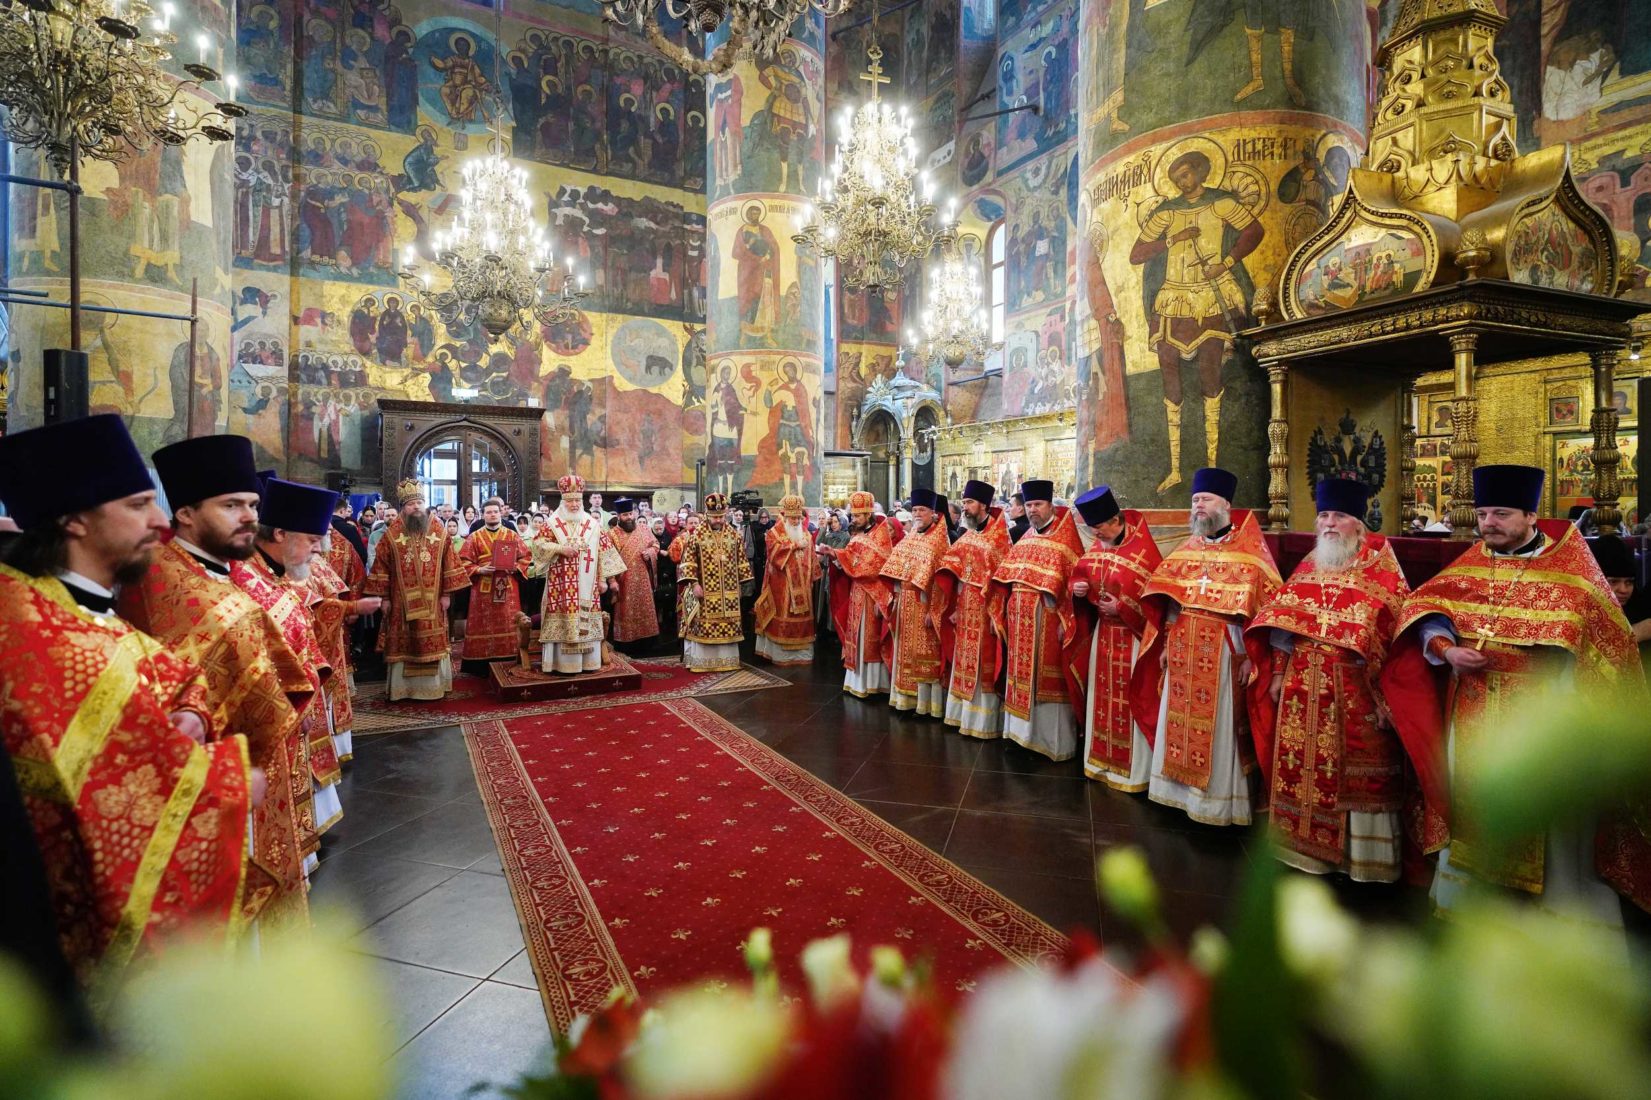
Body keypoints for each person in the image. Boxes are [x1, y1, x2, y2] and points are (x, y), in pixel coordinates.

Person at [0, 415, 255, 986]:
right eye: (139, 505)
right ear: (74, 519)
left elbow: (172, 672)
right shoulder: (35, 635)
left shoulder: (67, 607)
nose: (161, 521)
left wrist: (189, 710)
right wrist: (232, 786)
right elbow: (94, 794)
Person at [1390, 465, 1651, 922]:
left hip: (1541, 715)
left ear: (1531, 515)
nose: (1488, 522)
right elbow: (1428, 608)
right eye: (1483, 512)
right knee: (1473, 799)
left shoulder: (1573, 569)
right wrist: (1447, 651)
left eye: (1501, 514)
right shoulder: (1472, 560)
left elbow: (1607, 647)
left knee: (1543, 809)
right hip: (1471, 709)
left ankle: (1554, 907)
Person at [119, 433, 314, 929]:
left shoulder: (215, 572)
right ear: (185, 513)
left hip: (244, 769)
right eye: (231, 505)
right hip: (209, 782)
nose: (249, 515)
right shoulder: (172, 584)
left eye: (252, 504)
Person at [1248, 480, 1413, 882]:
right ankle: (1299, 849)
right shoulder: (1310, 562)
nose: (1329, 524)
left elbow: (1397, 638)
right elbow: (1283, 622)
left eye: (1339, 516)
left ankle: (1359, 862)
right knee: (1298, 765)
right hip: (1302, 684)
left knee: (1353, 774)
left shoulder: (1382, 568)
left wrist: (1387, 701)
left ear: (1360, 524)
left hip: (1355, 690)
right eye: (1323, 515)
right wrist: (1278, 672)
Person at [1129, 467, 1280, 826]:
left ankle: (1214, 805)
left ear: (1225, 504)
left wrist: (1249, 658)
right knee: (1177, 721)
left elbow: (1263, 613)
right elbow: (1170, 602)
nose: (1198, 505)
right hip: (1183, 646)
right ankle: (1174, 794)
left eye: (1206, 499)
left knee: (1219, 731)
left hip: (1225, 651)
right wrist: (1165, 642)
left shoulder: (1251, 553)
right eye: (1195, 499)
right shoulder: (1187, 548)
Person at [242, 477, 345, 855]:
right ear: (280, 533)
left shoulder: (274, 574)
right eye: (311, 540)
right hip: (273, 715)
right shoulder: (248, 579)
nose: (318, 550)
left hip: (296, 706)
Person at [1067, 485, 1162, 790]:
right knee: (1102, 698)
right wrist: (1078, 589)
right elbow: (1083, 574)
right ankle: (1100, 762)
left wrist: (1121, 606)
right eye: (1091, 530)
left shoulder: (1144, 550)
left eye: (1099, 529)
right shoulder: (1099, 546)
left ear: (1115, 521)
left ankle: (1133, 772)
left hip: (1132, 640)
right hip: (1103, 638)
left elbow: (1153, 602)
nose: (1096, 536)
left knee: (1128, 700)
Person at [988, 480, 1085, 760]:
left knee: (1046, 683)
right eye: (1028, 505)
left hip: (1048, 622)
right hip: (1020, 622)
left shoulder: (1066, 540)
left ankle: (1050, 743)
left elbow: (1073, 584)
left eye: (1038, 504)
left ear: (1050, 506)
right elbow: (1006, 578)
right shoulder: (1026, 538)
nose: (1032, 510)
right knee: (1019, 677)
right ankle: (1020, 736)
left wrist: (1066, 621)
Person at [364, 479, 469, 700]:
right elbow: (381, 566)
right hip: (400, 601)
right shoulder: (392, 534)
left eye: (420, 502)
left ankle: (434, 688)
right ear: (404, 506)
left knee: (433, 640)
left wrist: (446, 594)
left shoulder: (439, 530)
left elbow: (450, 563)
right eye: (411, 503)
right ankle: (404, 689)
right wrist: (384, 598)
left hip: (434, 601)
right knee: (405, 642)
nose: (417, 507)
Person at [934, 480, 1011, 739]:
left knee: (983, 662)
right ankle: (961, 715)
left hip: (985, 609)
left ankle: (982, 723)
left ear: (984, 505)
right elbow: (954, 567)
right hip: (966, 605)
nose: (965, 508)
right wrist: (954, 606)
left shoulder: (999, 537)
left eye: (969, 503)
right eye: (964, 503)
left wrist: (997, 614)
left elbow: (1002, 581)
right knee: (964, 659)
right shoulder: (968, 534)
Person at [532, 475, 625, 674]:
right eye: (570, 501)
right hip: (560, 584)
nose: (574, 504)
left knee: (587, 620)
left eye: (577, 500)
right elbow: (538, 545)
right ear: (562, 502)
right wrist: (560, 548)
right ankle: (560, 664)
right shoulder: (551, 523)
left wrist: (603, 579)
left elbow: (603, 553)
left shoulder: (593, 525)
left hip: (588, 584)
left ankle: (588, 663)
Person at [880, 488, 952, 716]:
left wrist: (935, 610)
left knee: (925, 657)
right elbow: (894, 568)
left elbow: (941, 582)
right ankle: (904, 700)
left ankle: (927, 706)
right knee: (905, 654)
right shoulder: (912, 537)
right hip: (905, 603)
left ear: (933, 513)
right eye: (914, 510)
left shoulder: (939, 542)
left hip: (925, 606)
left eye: (922, 510)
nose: (917, 514)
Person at [823, 491, 894, 697]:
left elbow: (878, 567)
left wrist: (882, 600)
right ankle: (857, 681)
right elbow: (850, 558)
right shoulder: (858, 535)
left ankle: (873, 684)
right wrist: (833, 553)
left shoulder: (881, 535)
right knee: (857, 636)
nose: (854, 520)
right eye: (853, 516)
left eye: (858, 516)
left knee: (869, 638)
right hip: (856, 592)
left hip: (874, 595)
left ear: (868, 515)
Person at [676, 493, 753, 671]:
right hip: (704, 589)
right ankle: (703, 661)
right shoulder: (697, 535)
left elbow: (742, 560)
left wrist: (741, 585)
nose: (718, 520)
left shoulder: (734, 535)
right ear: (707, 515)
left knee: (728, 623)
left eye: (721, 516)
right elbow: (688, 562)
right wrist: (694, 584)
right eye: (714, 517)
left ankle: (727, 661)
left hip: (729, 591)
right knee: (703, 624)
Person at [457, 497, 532, 672]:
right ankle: (479, 664)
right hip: (483, 587)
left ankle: (510, 658)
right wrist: (479, 569)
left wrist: (515, 567)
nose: (492, 515)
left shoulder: (512, 535)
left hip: (507, 585)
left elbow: (526, 557)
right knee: (483, 623)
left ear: (501, 514)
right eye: (489, 512)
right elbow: (462, 561)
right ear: (482, 515)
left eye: (495, 512)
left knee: (509, 621)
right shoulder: (474, 537)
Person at [753, 494, 820, 666]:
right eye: (792, 518)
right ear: (785, 516)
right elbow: (773, 555)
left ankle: (802, 653)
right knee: (782, 612)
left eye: (799, 517)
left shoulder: (806, 535)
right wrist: (793, 546)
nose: (796, 521)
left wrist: (813, 576)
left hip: (803, 587)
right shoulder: (774, 533)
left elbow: (812, 556)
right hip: (781, 585)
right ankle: (780, 654)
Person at [608, 497, 662, 647]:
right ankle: (627, 645)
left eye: (631, 514)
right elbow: (607, 559)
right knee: (625, 612)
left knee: (646, 610)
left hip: (643, 580)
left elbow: (655, 544)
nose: (629, 517)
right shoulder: (611, 535)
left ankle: (648, 644)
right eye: (625, 515)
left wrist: (650, 552)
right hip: (623, 580)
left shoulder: (644, 529)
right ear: (618, 516)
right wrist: (612, 581)